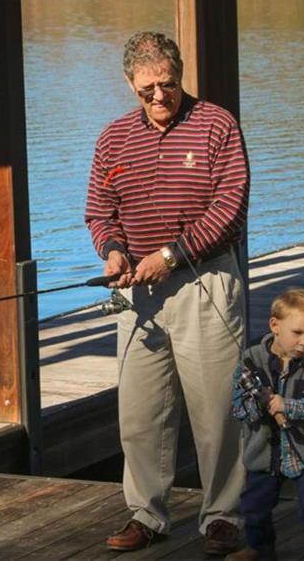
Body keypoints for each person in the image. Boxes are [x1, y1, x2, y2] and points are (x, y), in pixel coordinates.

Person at [85, 31, 250, 555]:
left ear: (180, 74)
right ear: (129, 84)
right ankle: (147, 514)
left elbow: (229, 209)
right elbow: (99, 211)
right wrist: (112, 251)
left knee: (217, 410)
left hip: (205, 283)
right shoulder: (112, 139)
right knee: (139, 414)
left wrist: (172, 256)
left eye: (168, 85)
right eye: (146, 89)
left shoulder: (217, 124)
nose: (159, 97)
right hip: (138, 293)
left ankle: (222, 515)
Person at [226, 288, 304, 561]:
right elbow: (238, 409)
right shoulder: (250, 360)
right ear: (275, 325)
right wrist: (258, 403)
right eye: (297, 333)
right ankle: (260, 549)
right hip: (264, 453)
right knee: (254, 507)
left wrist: (287, 406)